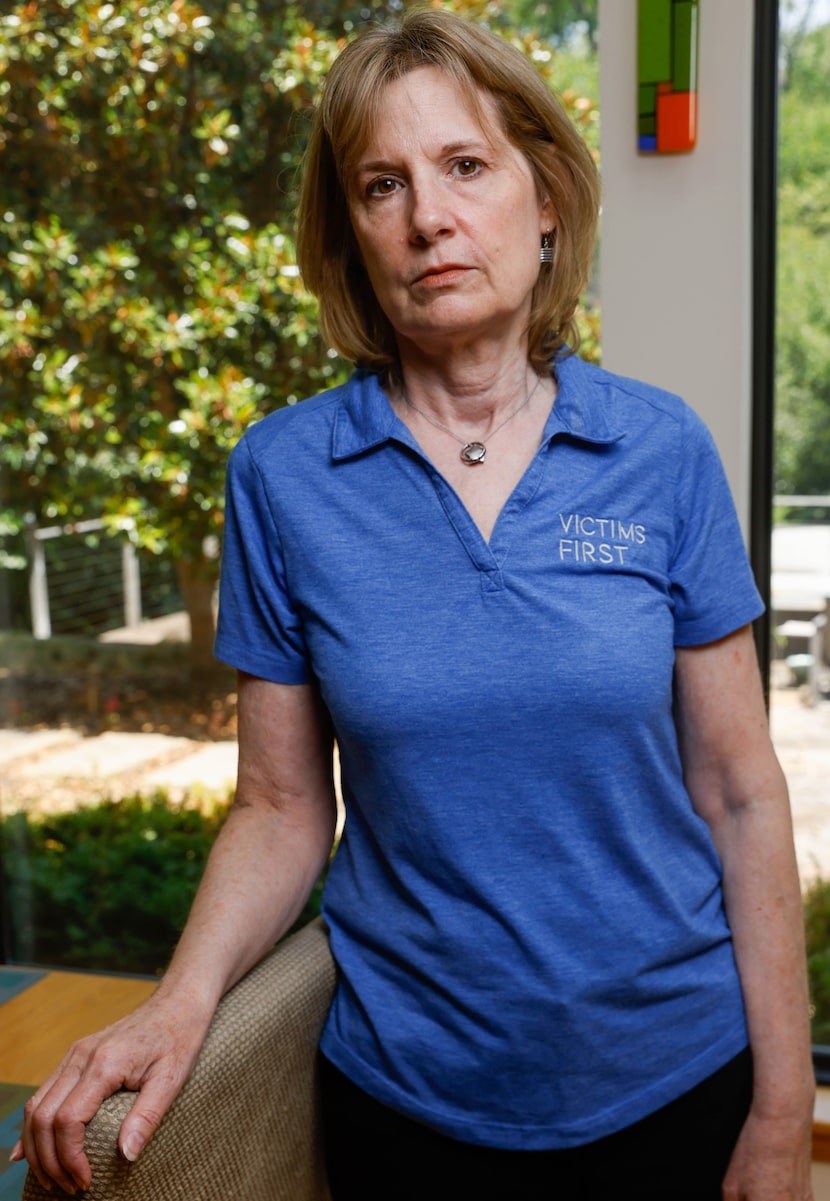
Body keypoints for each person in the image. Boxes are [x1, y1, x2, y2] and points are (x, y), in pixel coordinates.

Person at [15, 9, 814, 1199]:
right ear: (350, 234)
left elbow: (742, 794)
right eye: (380, 184)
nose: (427, 217)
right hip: (408, 1100)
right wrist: (178, 1002)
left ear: (543, 201)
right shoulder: (283, 475)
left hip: (673, 1080)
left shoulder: (661, 450)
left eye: (464, 167)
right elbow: (283, 807)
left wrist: (782, 1106)